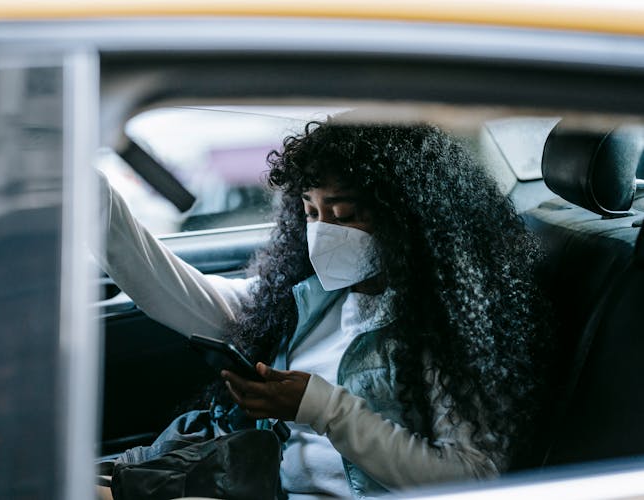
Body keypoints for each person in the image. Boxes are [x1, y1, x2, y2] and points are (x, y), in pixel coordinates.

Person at [97, 118, 553, 498]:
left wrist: (324, 408)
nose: (324, 232)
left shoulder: (449, 326)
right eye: (312, 213)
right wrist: (92, 194)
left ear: (410, 217)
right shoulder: (310, 299)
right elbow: (167, 286)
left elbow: (473, 479)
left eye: (345, 213)